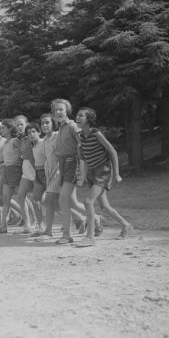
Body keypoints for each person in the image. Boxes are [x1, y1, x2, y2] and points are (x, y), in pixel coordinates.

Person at [75, 107, 133, 246]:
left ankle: (90, 237)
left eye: (81, 116)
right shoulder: (80, 136)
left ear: (89, 119)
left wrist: (117, 174)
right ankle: (126, 225)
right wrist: (82, 175)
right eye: (77, 115)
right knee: (104, 206)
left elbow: (112, 151)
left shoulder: (97, 134)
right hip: (91, 172)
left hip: (103, 171)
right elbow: (82, 157)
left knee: (88, 202)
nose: (77, 117)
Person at [52, 98, 95, 245]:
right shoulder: (60, 127)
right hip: (63, 164)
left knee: (62, 199)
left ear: (67, 111)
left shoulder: (71, 125)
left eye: (61, 109)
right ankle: (96, 218)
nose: (58, 112)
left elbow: (81, 144)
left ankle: (67, 234)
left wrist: (82, 170)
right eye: (56, 110)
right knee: (73, 203)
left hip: (72, 163)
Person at [0, 119, 22, 234]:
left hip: (11, 170)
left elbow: (23, 153)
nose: (1, 130)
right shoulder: (5, 142)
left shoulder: (12, 141)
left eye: (2, 128)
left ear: (9, 128)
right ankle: (3, 225)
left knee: (22, 197)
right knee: (6, 198)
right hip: (4, 170)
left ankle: (29, 221)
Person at [16, 119, 39, 233]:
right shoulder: (22, 140)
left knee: (42, 200)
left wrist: (38, 172)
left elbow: (32, 156)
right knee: (20, 196)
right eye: (17, 125)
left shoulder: (32, 138)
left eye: (21, 124)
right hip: (26, 171)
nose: (19, 127)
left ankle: (78, 218)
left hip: (34, 169)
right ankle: (28, 224)